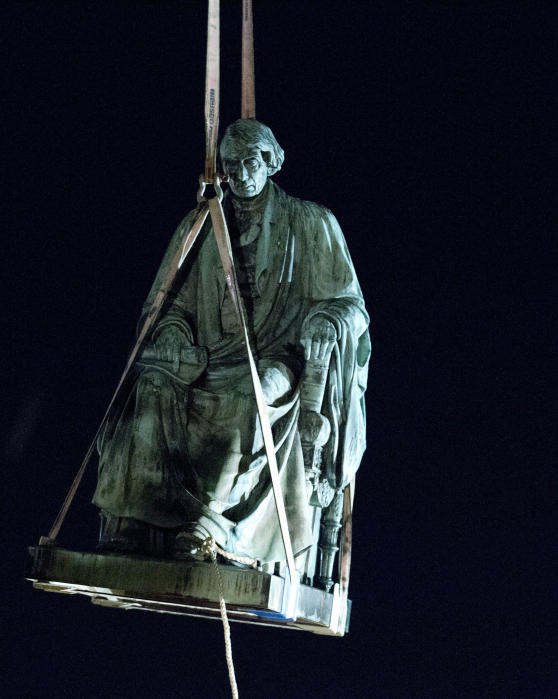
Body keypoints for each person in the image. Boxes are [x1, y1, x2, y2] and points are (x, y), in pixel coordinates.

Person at [93, 119, 369, 566]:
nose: (240, 175)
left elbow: (350, 304)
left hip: (282, 358)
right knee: (150, 386)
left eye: (249, 163)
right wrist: (174, 335)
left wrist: (327, 320)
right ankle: (135, 522)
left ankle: (210, 523)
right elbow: (170, 305)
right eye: (230, 166)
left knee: (253, 393)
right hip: (209, 358)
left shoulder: (313, 222)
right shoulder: (201, 224)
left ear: (269, 163)